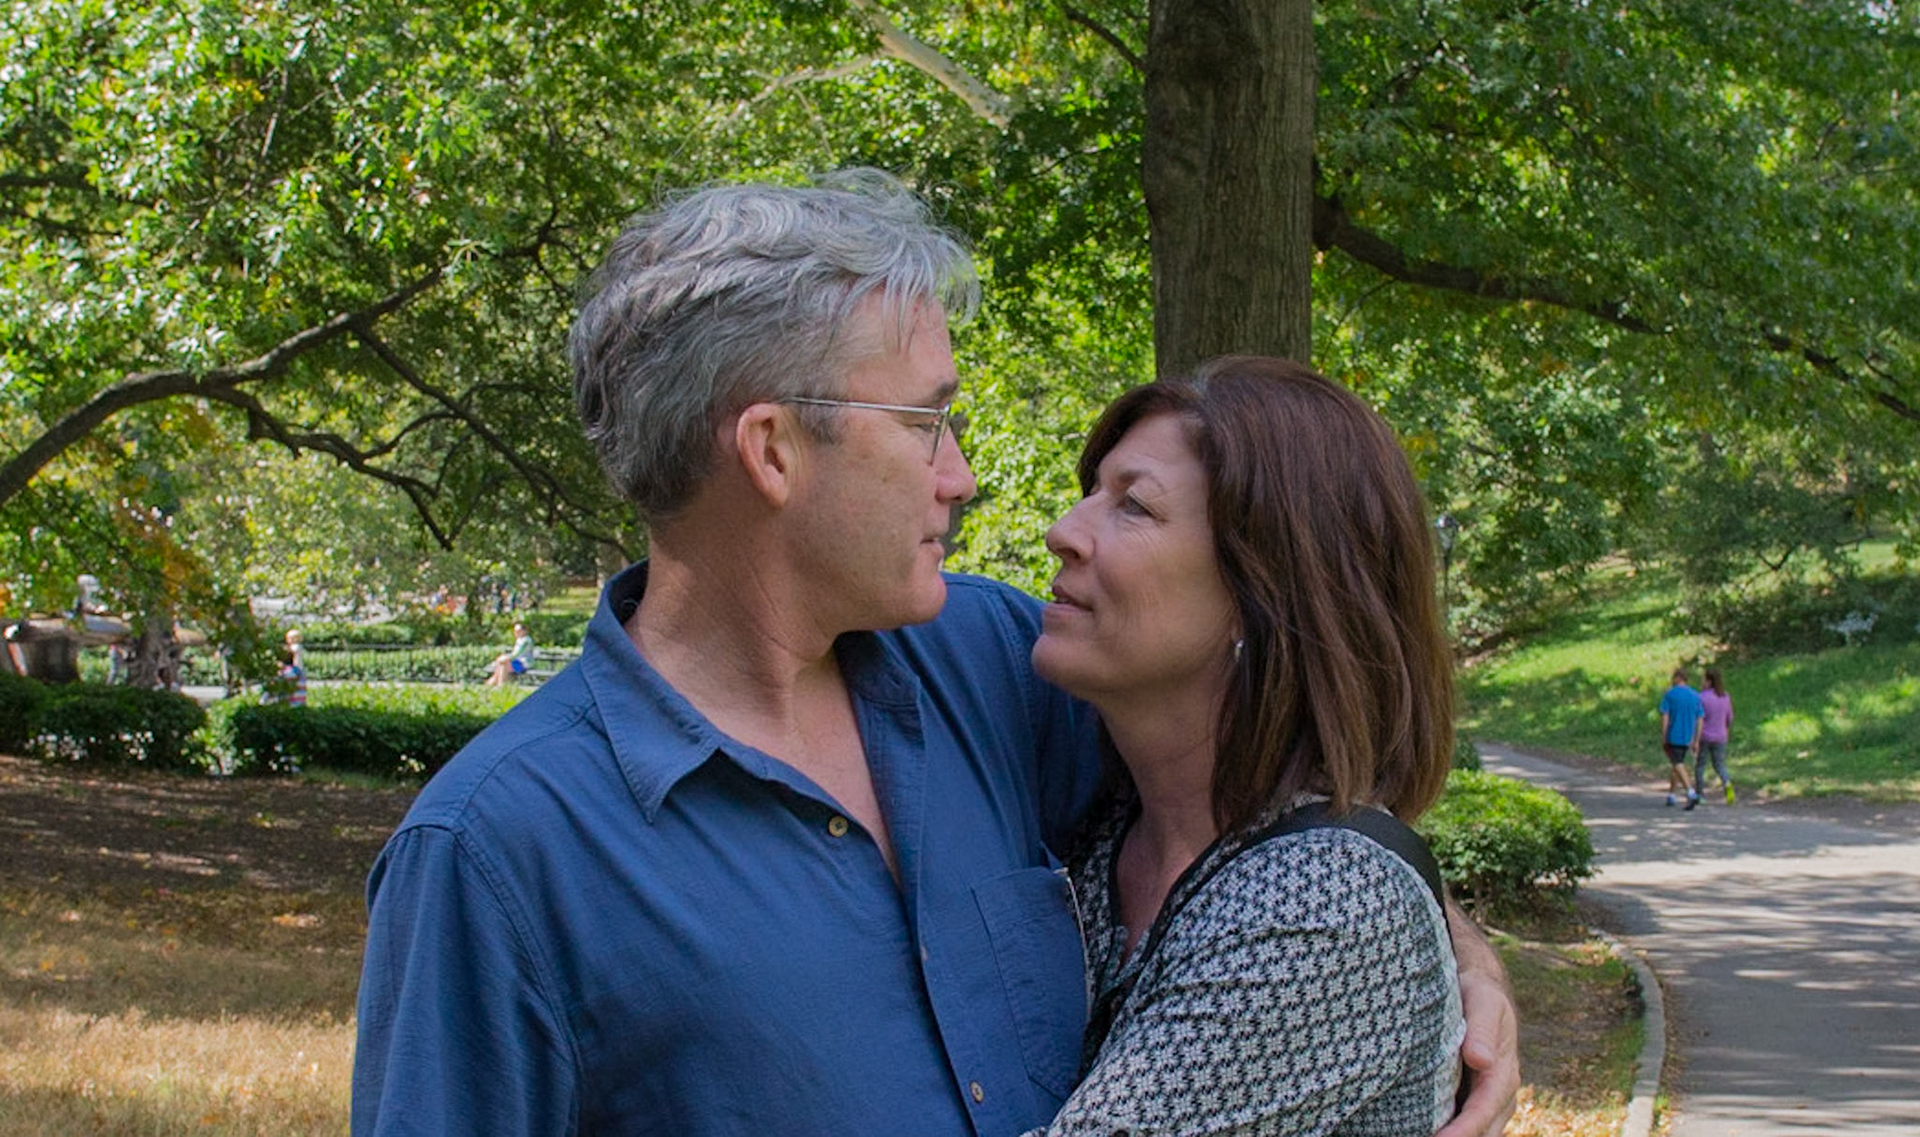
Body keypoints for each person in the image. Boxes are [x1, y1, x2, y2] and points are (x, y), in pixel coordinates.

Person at [351, 171, 1519, 1136]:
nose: (961, 474)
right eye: (925, 422)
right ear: (771, 450)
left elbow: (1279, 807)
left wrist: (1445, 959)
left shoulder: (992, 666)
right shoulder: (498, 851)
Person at [1025, 357, 1465, 1134]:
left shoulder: (1328, 910)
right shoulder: (1109, 829)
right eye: (1092, 492)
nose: (1064, 531)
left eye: (1134, 507)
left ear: (1262, 592)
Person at [1659, 667, 1705, 810]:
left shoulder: (1670, 695)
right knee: (1676, 764)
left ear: (1678, 678)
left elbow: (1665, 716)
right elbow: (1700, 718)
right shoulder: (1695, 696)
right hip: (1688, 735)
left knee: (1677, 763)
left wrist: (1664, 734)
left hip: (1674, 734)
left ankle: (1690, 792)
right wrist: (1697, 739)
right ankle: (1671, 794)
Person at [1695, 665, 1735, 803]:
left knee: (1700, 765)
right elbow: (1730, 717)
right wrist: (1726, 729)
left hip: (1705, 736)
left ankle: (1700, 794)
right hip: (1721, 736)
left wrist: (1695, 738)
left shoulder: (1701, 698)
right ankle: (1727, 783)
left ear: (1709, 681)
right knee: (1719, 764)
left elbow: (1698, 718)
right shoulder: (1725, 696)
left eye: (1703, 679)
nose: (1702, 682)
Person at [483, 620, 536, 687]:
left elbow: (517, 653)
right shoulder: (519, 640)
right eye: (515, 631)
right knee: (502, 664)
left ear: (524, 631)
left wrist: (505, 658)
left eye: (519, 631)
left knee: (503, 662)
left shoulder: (526, 640)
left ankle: (495, 683)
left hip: (524, 663)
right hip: (516, 662)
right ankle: (499, 684)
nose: (516, 633)